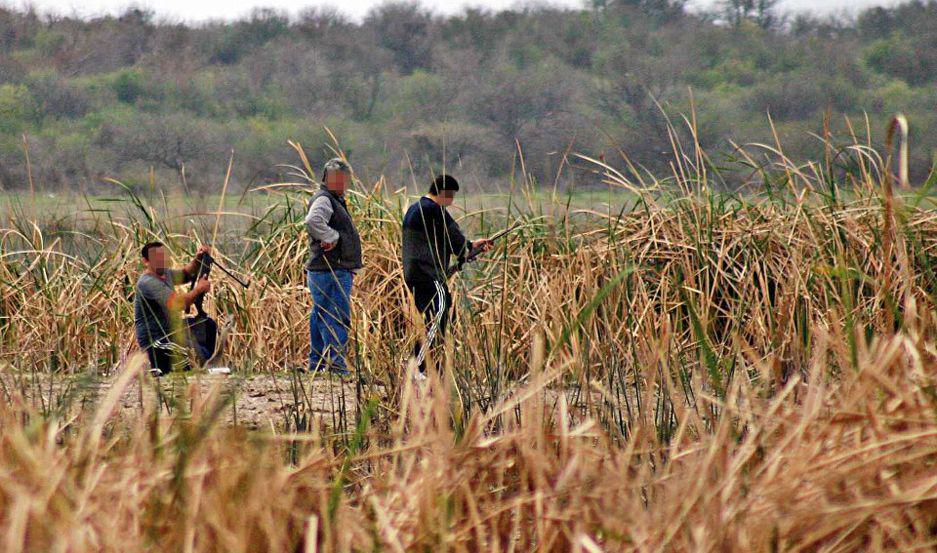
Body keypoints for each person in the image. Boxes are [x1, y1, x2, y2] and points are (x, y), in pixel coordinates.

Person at [402, 174, 492, 378]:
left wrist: (471, 246)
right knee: (439, 314)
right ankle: (419, 367)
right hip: (429, 273)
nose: (451, 202)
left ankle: (425, 366)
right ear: (444, 193)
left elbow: (451, 242)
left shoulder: (415, 209)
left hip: (414, 273)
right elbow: (457, 243)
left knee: (433, 317)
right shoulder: (434, 210)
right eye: (451, 197)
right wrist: (468, 250)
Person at [304, 157, 363, 375]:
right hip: (331, 269)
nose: (342, 184)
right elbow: (312, 221)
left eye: (344, 180)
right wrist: (332, 237)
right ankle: (336, 365)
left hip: (324, 269)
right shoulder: (325, 199)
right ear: (327, 179)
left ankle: (317, 363)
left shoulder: (330, 198)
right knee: (336, 315)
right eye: (338, 180)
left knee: (321, 314)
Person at [134, 241, 211, 376]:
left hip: (170, 333)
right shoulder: (148, 283)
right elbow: (178, 304)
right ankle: (162, 369)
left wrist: (198, 259)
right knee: (197, 356)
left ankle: (205, 363)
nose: (162, 260)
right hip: (156, 341)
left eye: (163, 256)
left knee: (208, 325)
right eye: (157, 257)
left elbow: (187, 273)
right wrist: (198, 289)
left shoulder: (166, 273)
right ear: (146, 261)